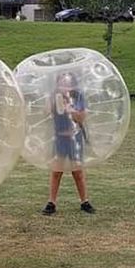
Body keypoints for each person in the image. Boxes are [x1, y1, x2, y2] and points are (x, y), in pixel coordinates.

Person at [42, 72, 95, 215]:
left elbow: (82, 117)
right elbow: (46, 112)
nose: (66, 85)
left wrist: (71, 109)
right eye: (62, 83)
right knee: (56, 171)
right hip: (59, 138)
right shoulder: (54, 96)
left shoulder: (78, 96)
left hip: (75, 138)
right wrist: (55, 98)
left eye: (68, 82)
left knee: (77, 172)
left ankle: (85, 202)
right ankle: (51, 203)